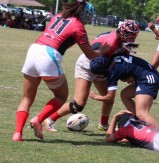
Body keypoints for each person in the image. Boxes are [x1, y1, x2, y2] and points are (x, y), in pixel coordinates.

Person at [12, 0, 110, 142]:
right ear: (85, 14)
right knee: (61, 95)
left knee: (27, 98)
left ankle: (17, 134)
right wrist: (102, 50)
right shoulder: (79, 27)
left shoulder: (58, 16)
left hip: (34, 49)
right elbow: (90, 55)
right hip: (49, 54)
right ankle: (38, 120)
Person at [44, 20, 140, 132]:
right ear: (123, 32)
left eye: (134, 36)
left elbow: (121, 61)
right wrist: (119, 74)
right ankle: (50, 119)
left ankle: (103, 124)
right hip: (88, 64)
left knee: (109, 99)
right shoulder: (111, 42)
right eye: (130, 36)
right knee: (78, 104)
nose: (132, 39)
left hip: (103, 66)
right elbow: (97, 63)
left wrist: (126, 75)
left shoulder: (123, 41)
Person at [89, 53, 159, 128]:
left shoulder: (113, 72)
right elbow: (127, 66)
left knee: (142, 114)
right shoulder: (113, 57)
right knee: (125, 94)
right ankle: (138, 123)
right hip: (148, 75)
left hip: (148, 79)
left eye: (98, 74)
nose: (98, 77)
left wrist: (95, 97)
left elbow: (110, 97)